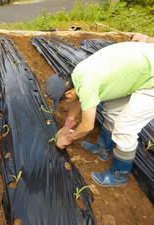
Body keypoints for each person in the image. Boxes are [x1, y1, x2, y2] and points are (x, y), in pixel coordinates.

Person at [46, 41, 154, 187]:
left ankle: (119, 175)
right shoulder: (77, 75)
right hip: (139, 67)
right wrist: (67, 125)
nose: (65, 102)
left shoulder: (87, 83)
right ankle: (104, 148)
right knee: (111, 111)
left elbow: (87, 125)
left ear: (68, 92)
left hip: (150, 77)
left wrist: (68, 138)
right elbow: (77, 100)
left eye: (64, 100)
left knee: (125, 128)